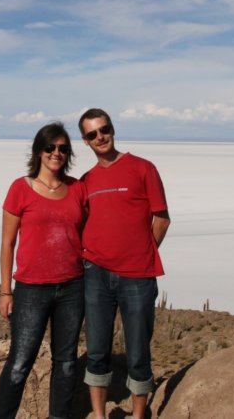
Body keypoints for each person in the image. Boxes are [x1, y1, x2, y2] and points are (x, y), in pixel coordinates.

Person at [78, 108, 171, 419]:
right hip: (96, 274)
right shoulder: (86, 180)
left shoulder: (143, 168)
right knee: (97, 349)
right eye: (92, 134)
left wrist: (142, 251)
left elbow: (161, 218)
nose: (100, 137)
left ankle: (139, 414)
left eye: (103, 130)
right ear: (85, 141)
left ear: (112, 130)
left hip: (137, 275)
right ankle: (99, 415)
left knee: (138, 351)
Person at [0, 122, 87, 419]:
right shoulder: (20, 188)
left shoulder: (77, 189)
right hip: (31, 288)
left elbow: (87, 233)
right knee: (19, 363)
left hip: (72, 286)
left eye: (62, 148)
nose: (56, 153)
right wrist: (6, 291)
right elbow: (7, 243)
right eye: (50, 147)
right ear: (38, 150)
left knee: (67, 362)